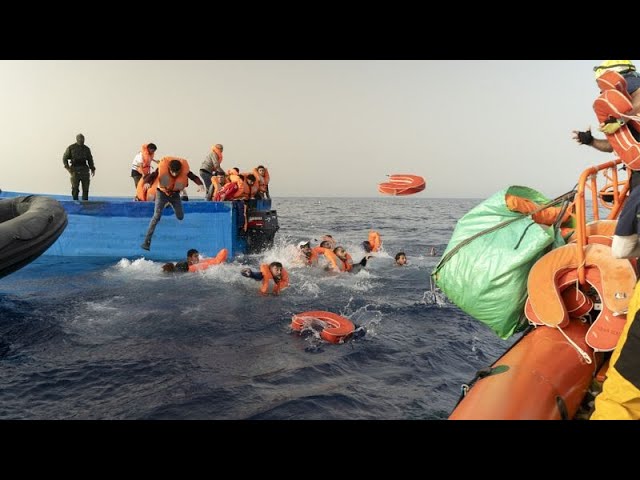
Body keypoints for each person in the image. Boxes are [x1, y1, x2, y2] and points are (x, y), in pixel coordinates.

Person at [573, 60, 640, 190]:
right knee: (630, 209)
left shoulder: (629, 81)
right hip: (636, 171)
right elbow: (612, 146)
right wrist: (591, 141)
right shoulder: (624, 112)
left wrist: (620, 120)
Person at [140, 157, 204, 251]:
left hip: (175, 195)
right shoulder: (162, 168)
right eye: (172, 172)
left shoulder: (184, 170)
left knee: (180, 217)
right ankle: (146, 241)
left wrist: (200, 184)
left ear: (180, 170)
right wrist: (147, 182)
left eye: (176, 172)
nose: (174, 174)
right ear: (169, 169)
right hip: (162, 194)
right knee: (156, 217)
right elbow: (153, 175)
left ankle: (169, 204)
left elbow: (193, 177)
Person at [62, 133, 96, 200]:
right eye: (80, 138)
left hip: (84, 171)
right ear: (77, 139)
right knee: (75, 189)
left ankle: (85, 204)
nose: (81, 140)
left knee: (86, 189)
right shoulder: (71, 148)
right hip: (75, 171)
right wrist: (68, 168)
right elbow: (64, 158)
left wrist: (92, 168)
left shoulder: (86, 149)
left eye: (83, 138)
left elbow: (90, 159)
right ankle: (75, 203)